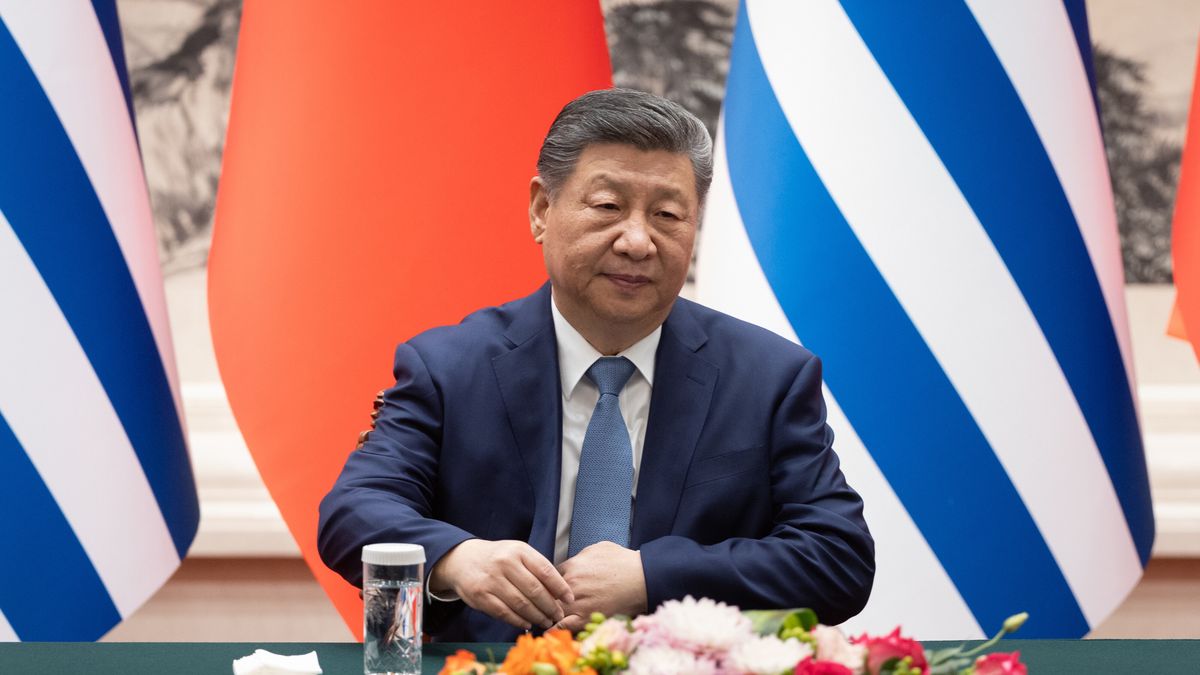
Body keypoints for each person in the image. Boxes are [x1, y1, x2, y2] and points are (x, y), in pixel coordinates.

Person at [318, 88, 874, 642]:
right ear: (542, 209)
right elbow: (354, 512)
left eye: (668, 215)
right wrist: (458, 559)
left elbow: (838, 557)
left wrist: (654, 575)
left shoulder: (768, 378)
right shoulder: (448, 367)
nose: (638, 241)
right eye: (608, 207)